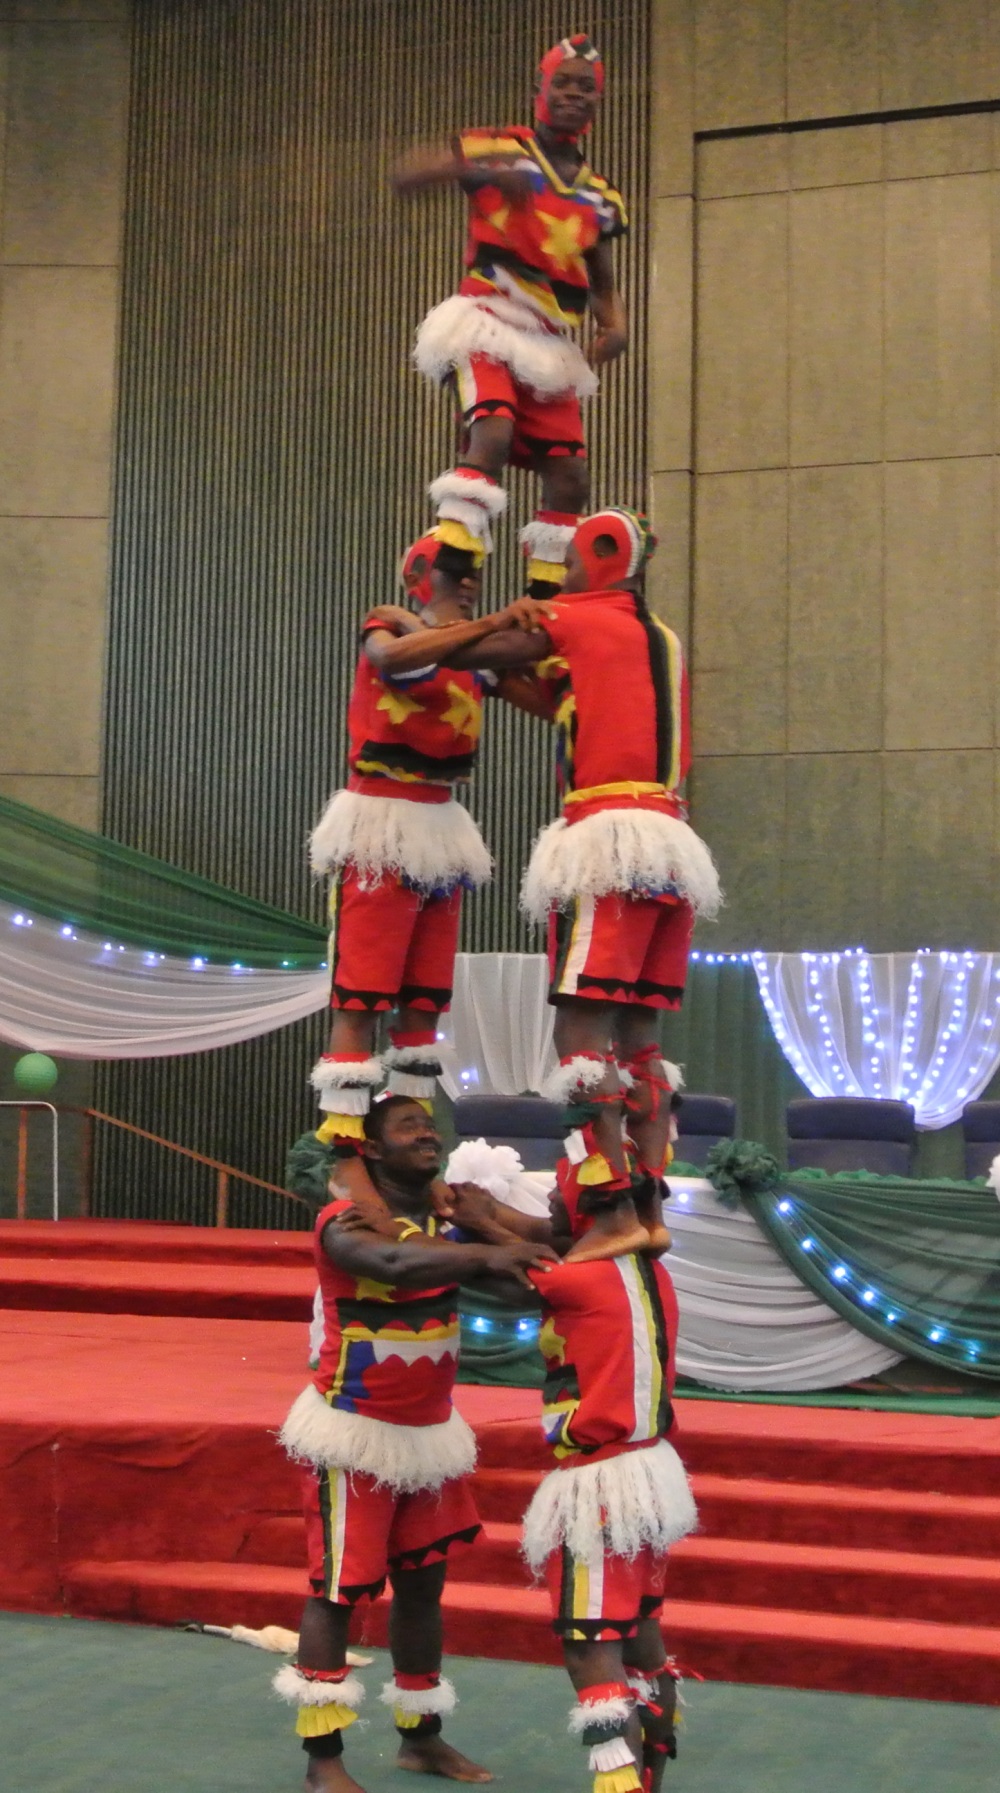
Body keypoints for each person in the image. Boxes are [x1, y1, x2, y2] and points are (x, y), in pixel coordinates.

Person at [438, 508, 722, 1260]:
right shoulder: (659, 637)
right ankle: (648, 1207)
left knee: (579, 1033)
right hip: (670, 844)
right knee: (641, 1039)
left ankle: (609, 1211)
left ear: (599, 555)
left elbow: (473, 647)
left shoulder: (578, 616)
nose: (560, 579)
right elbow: (565, 703)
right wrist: (499, 677)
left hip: (607, 841)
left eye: (569, 563)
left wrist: (432, 628)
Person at [275, 1094, 553, 1793]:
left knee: (424, 1590)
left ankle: (421, 1739)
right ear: (370, 1149)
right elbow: (396, 1263)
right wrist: (490, 1248)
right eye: (409, 1126)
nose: (428, 1133)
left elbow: (528, 1280)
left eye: (431, 1125)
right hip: (353, 1434)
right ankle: (322, 1760)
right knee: (338, 1592)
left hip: (429, 1436)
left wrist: (486, 1227)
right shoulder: (343, 1223)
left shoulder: (447, 1228)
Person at [439, 1146, 697, 1793]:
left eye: (562, 1190)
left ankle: (620, 1782)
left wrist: (474, 1217)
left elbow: (507, 1265)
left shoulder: (578, 1279)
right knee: (641, 1636)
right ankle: (650, 1774)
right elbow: (543, 1242)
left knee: (589, 1643)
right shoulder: (646, 1269)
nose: (551, 1200)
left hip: (601, 1482)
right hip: (648, 1474)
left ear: (593, 1207)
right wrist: (488, 1215)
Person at [307, 533, 539, 1203]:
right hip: (382, 821)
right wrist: (486, 625)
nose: (468, 580)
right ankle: (344, 1154)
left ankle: (409, 1157)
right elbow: (389, 657)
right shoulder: (386, 626)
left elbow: (538, 681)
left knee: (425, 1001)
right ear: (419, 576)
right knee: (360, 996)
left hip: (441, 826)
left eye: (475, 570)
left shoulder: (468, 650)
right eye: (454, 568)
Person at [393, 34, 628, 596]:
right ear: (539, 91)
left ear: (598, 101)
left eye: (586, 87)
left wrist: (615, 323)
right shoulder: (500, 147)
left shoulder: (601, 196)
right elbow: (405, 175)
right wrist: (487, 175)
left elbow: (599, 269)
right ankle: (452, 573)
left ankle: (545, 599)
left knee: (570, 476)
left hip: (549, 341)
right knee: (492, 434)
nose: (574, 94)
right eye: (562, 83)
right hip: (487, 319)